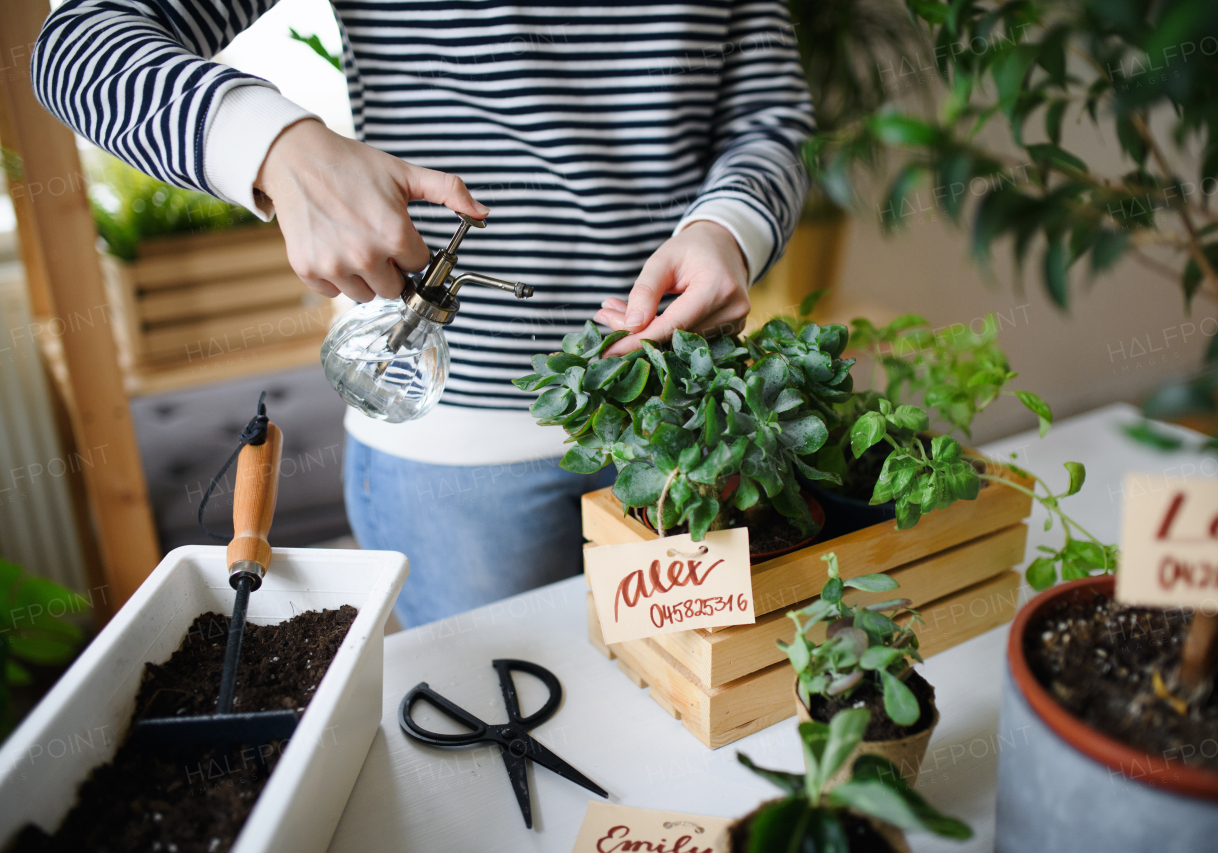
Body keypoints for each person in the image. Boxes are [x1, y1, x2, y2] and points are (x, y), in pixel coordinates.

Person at [33, 0, 813, 627]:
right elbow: (77, 47)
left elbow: (769, 121)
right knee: (503, 746)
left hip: (683, 424)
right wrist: (276, 146)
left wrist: (728, 230)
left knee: (680, 706)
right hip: (463, 471)